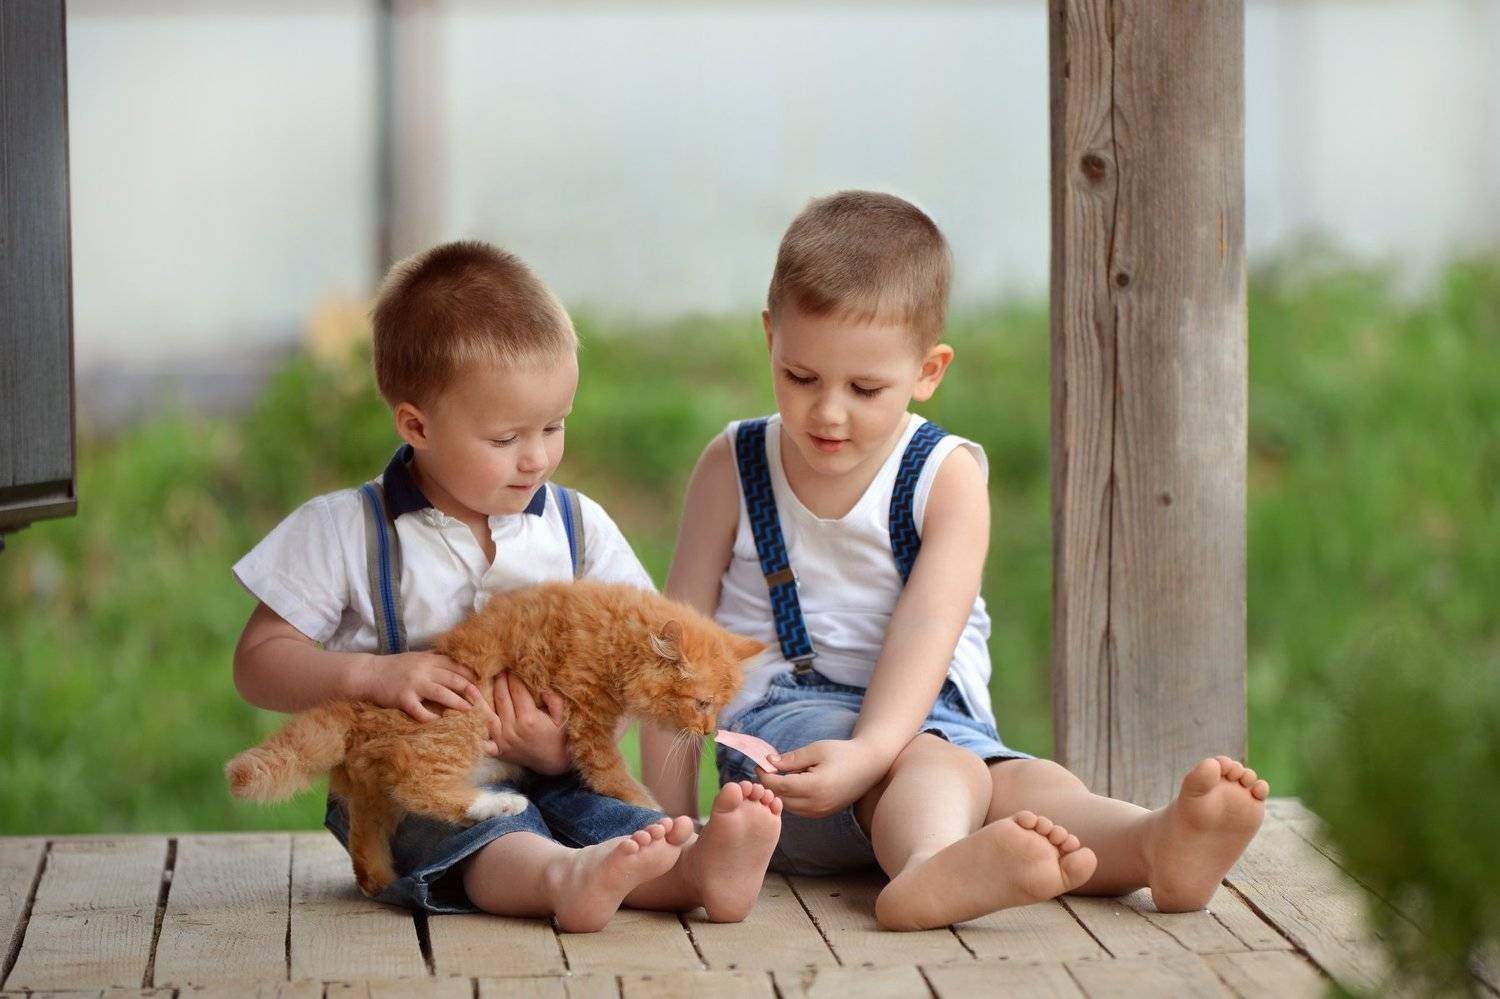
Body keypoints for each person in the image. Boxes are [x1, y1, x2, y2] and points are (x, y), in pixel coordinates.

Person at [643, 192, 1268, 930]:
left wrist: (876, 747)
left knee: (1026, 782)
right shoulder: (734, 466)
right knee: (936, 765)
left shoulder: (945, 477)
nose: (828, 411)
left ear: (929, 370)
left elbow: (928, 628)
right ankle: (929, 867)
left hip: (936, 719)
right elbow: (676, 652)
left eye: (865, 388)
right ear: (770, 336)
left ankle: (1154, 844)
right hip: (789, 746)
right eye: (801, 377)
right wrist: (672, 829)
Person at [232, 240, 781, 931]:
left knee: (614, 821)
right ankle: (560, 878)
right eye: (505, 439)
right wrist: (370, 675)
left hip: (553, 769)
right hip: (415, 784)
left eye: (554, 426)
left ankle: (695, 871)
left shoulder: (577, 526)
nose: (537, 458)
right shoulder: (349, 531)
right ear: (416, 425)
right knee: (485, 836)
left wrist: (560, 746)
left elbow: (635, 665)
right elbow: (258, 662)